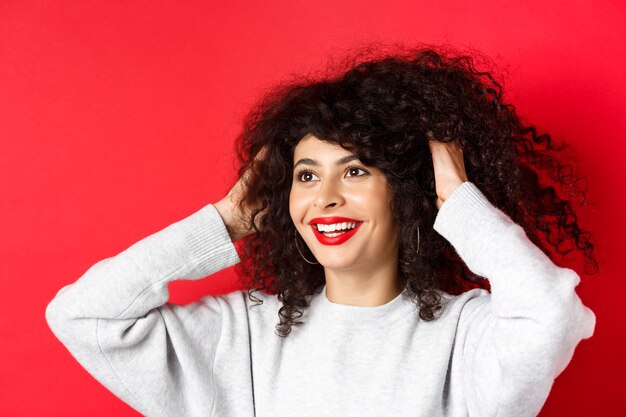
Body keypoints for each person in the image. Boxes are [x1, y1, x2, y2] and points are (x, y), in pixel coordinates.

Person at [46, 46, 597, 417]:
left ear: (408, 190)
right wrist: (227, 221)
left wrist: (455, 198)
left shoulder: (468, 334)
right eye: (307, 175)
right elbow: (81, 316)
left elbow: (552, 314)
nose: (324, 196)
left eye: (354, 171)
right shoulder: (243, 334)